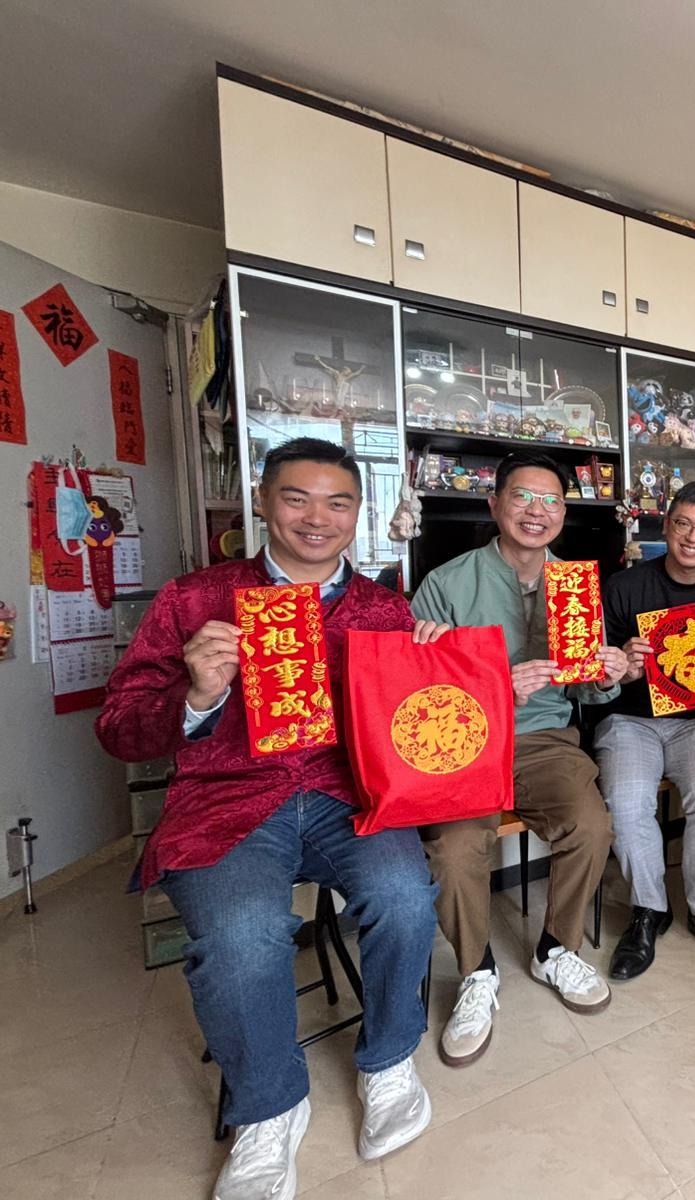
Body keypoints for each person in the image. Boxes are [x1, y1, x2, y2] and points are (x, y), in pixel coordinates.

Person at [96, 438, 442, 1200]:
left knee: (407, 897)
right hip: (227, 801)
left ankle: (387, 1061)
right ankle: (269, 1109)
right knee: (240, 934)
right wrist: (196, 694)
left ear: (359, 515)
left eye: (338, 502)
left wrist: (434, 668)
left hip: (347, 795)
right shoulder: (194, 599)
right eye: (296, 498)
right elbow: (119, 727)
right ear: (262, 501)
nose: (317, 518)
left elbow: (416, 724)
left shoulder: (385, 608)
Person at [412, 450, 628, 1065]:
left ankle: (556, 950)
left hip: (542, 741)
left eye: (551, 500)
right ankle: (477, 970)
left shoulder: (576, 586)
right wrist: (496, 684)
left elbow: (585, 689)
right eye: (523, 497)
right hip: (462, 742)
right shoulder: (447, 583)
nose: (537, 511)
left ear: (565, 511)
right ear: (495, 505)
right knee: (454, 850)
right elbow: (418, 696)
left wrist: (608, 672)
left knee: (591, 825)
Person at [595, 481, 695, 980]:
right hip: (629, 719)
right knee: (626, 801)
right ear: (666, 525)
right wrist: (622, 665)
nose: (693, 537)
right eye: (684, 523)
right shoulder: (623, 587)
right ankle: (649, 908)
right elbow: (594, 671)